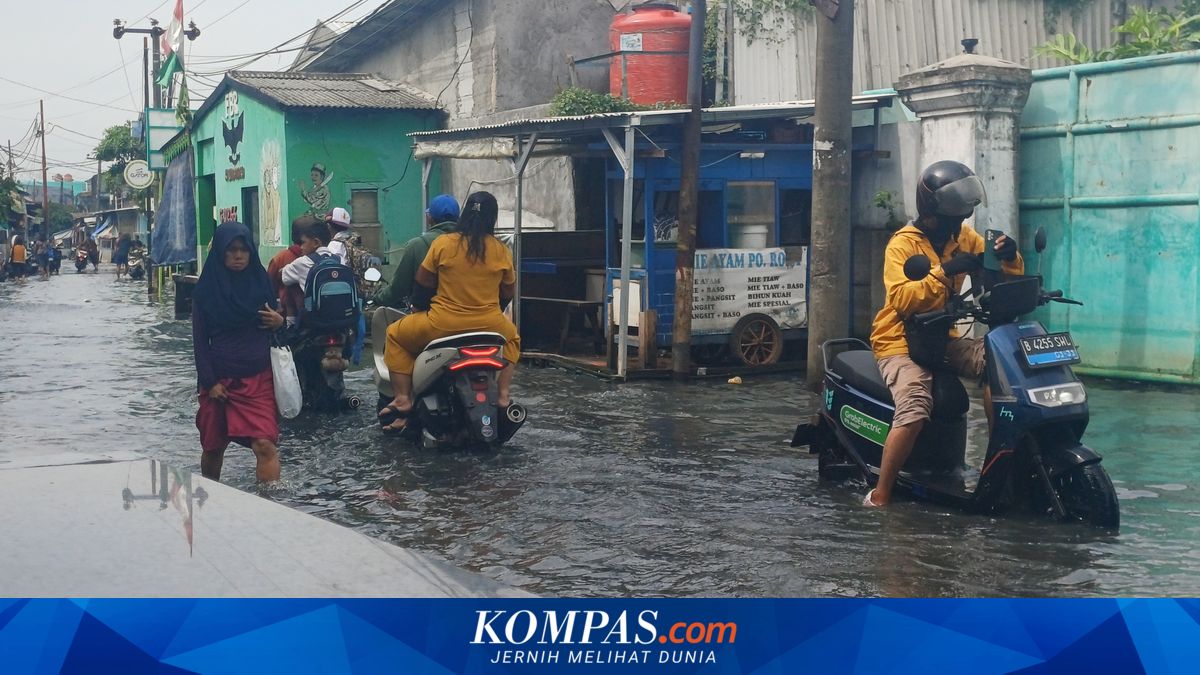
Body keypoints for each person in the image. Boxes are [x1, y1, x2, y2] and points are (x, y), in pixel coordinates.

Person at [865, 161, 1024, 507]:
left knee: (1001, 362)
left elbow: (996, 267)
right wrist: (944, 271)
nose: (963, 224)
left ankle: (1000, 463)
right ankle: (881, 494)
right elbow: (902, 299)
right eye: (956, 218)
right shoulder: (902, 245)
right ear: (934, 215)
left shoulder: (961, 237)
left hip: (944, 337)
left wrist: (1009, 256)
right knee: (915, 406)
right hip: (901, 341)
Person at [380, 191, 520, 431]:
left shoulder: (443, 244)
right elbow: (507, 293)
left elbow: (422, 285)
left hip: (443, 324)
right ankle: (503, 396)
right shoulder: (501, 250)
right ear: (492, 219)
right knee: (513, 338)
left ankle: (403, 399)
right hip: (491, 325)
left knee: (394, 334)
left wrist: (420, 308)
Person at [191, 221, 285, 482]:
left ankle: (270, 508)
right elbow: (200, 342)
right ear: (221, 252)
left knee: (265, 445)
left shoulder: (261, 284)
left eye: (244, 250)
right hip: (219, 383)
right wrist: (210, 383)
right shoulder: (207, 291)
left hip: (258, 380)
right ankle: (210, 496)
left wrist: (281, 322)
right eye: (231, 250)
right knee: (213, 447)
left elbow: (279, 329)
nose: (238, 255)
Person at [375, 194, 460, 309]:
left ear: (429, 217)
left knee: (392, 328)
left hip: (431, 314)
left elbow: (399, 288)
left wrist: (378, 298)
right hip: (469, 313)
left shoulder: (417, 245)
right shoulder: (471, 244)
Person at [267, 215, 319, 325]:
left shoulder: (280, 258)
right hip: (321, 315)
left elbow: (270, 289)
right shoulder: (325, 257)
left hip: (288, 318)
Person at [280, 222, 334, 295]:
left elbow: (284, 278)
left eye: (303, 243)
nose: (301, 247)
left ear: (316, 243)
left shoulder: (302, 262)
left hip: (315, 306)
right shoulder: (339, 259)